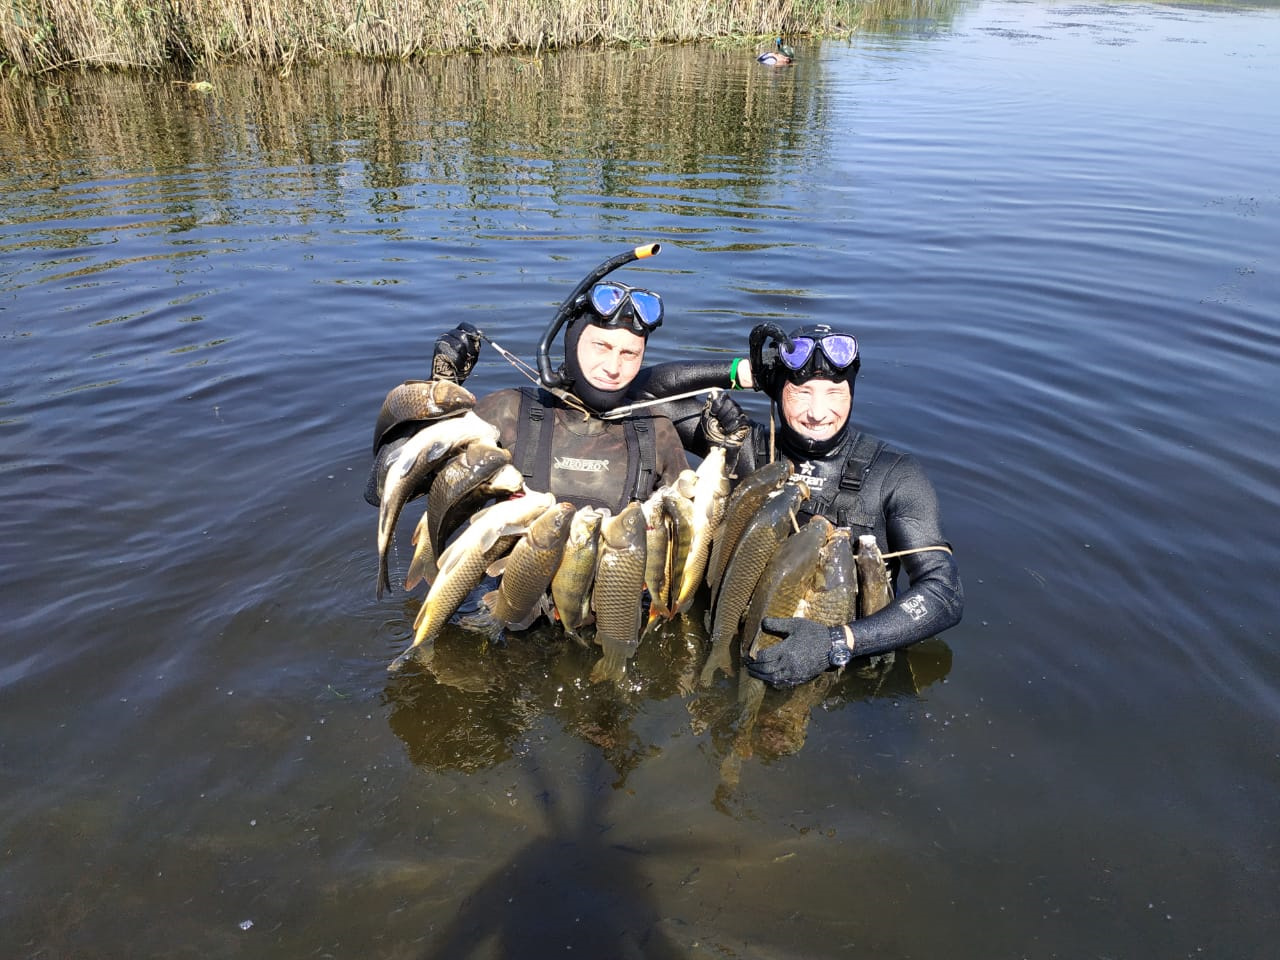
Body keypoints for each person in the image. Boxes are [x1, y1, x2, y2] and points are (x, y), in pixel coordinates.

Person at [638, 321, 964, 687]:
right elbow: (640, 391)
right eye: (801, 392)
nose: (818, 412)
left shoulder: (894, 475)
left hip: (843, 669)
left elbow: (944, 594)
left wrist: (837, 643)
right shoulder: (743, 448)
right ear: (777, 392)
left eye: (835, 392)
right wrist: (742, 373)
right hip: (734, 647)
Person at [366, 248, 747, 517]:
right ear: (570, 343)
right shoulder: (509, 411)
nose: (613, 366)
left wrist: (726, 454)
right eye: (601, 346)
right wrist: (436, 395)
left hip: (613, 602)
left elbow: (699, 530)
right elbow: (384, 488)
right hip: (507, 607)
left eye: (629, 354)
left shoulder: (657, 431)